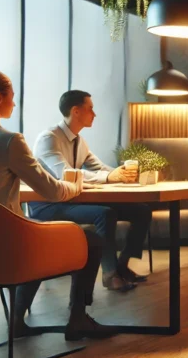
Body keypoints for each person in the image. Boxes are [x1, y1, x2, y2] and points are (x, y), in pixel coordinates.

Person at [0, 70, 114, 340]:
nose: (15, 104)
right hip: (5, 251)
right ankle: (77, 318)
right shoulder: (8, 141)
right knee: (87, 238)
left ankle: (17, 320)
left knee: (34, 231)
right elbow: (52, 191)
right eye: (12, 98)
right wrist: (76, 185)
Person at [29, 90, 152, 293]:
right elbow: (65, 174)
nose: (94, 114)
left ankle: (122, 266)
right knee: (105, 214)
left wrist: (121, 174)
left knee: (141, 210)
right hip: (49, 204)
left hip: (72, 200)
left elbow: (99, 167)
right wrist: (109, 177)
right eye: (91, 109)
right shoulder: (48, 139)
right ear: (76, 111)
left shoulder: (79, 141)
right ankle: (110, 275)